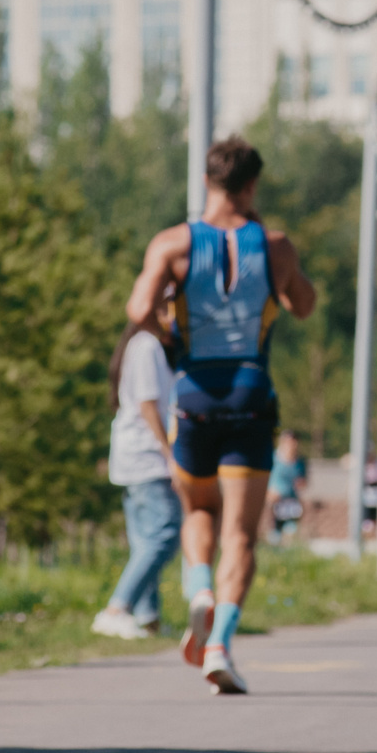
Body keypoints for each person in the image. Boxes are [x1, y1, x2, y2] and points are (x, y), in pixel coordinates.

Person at [126, 135, 318, 695]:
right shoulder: (274, 245)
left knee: (198, 512)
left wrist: (172, 336)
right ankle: (219, 643)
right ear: (252, 185)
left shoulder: (172, 244)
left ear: (208, 182)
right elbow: (303, 305)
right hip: (250, 397)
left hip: (194, 398)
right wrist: (276, 271)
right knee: (242, 533)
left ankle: (199, 589)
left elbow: (138, 310)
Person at [93, 319, 180, 640]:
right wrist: (169, 453)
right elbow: (148, 404)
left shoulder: (145, 345)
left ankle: (148, 617)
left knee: (145, 540)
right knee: (165, 534)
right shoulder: (146, 345)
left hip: (136, 456)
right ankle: (117, 609)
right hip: (147, 457)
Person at [267, 432, 309, 544]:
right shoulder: (273, 458)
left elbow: (304, 481)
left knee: (290, 533)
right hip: (275, 501)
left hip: (292, 502)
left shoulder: (301, 462)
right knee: (275, 534)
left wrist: (301, 483)